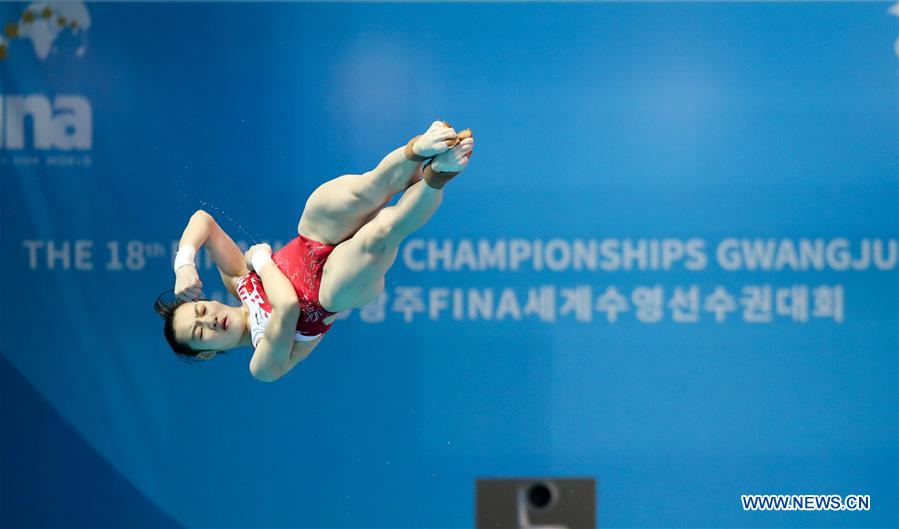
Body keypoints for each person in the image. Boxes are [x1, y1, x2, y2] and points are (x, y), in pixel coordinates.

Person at [154, 121, 474, 382]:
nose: (209, 321)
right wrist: (261, 260)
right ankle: (439, 174)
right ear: (206, 353)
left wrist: (184, 263)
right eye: (200, 333)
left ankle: (421, 149)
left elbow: (203, 221)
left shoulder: (236, 279)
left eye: (201, 312)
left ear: (206, 301)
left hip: (312, 240)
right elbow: (288, 306)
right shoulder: (262, 365)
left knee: (366, 191)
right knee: (381, 231)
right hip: (329, 292)